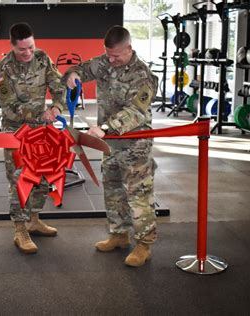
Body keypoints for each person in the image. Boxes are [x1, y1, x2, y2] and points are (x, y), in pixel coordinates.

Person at [63, 26, 158, 267]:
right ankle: (118, 235)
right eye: (108, 54)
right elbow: (82, 69)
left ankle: (144, 245)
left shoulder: (142, 75)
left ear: (129, 49)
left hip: (135, 144)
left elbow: (136, 111)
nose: (111, 60)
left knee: (138, 195)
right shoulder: (105, 62)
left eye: (116, 55)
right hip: (110, 144)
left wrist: (106, 127)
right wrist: (73, 75)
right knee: (113, 189)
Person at [0, 22, 65, 254]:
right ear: (12, 46)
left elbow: (58, 85)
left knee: (43, 177)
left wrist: (57, 107)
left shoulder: (42, 58)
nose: (28, 53)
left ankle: (34, 219)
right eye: (22, 49)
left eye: (31, 47)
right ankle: (20, 229)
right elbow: (10, 108)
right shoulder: (2, 71)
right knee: (20, 180)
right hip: (16, 133)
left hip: (42, 130)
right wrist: (39, 114)